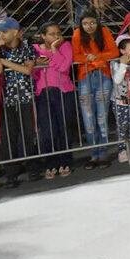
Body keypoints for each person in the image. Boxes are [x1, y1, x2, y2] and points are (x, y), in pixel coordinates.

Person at [0, 18, 38, 186]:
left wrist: (4, 62)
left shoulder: (27, 46)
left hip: (26, 97)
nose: (0, 34)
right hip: (6, 99)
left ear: (16, 32)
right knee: (8, 137)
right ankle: (11, 173)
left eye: (4, 31)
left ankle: (33, 168)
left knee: (28, 133)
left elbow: (27, 69)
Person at [72, 10, 119, 169]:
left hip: (103, 77)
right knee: (88, 118)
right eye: (85, 23)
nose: (89, 26)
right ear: (81, 24)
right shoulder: (77, 34)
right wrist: (91, 59)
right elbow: (76, 56)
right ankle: (93, 153)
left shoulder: (104, 31)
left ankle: (103, 153)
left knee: (102, 117)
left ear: (97, 22)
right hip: (85, 78)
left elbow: (114, 52)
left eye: (92, 22)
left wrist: (96, 58)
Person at [32, 22, 76, 179]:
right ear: (43, 35)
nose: (56, 36)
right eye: (51, 34)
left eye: (58, 33)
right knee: (48, 130)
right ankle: (50, 163)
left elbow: (64, 67)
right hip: (43, 93)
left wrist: (54, 50)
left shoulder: (65, 46)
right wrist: (36, 64)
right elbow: (33, 72)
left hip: (64, 91)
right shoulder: (34, 50)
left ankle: (65, 161)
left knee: (64, 126)